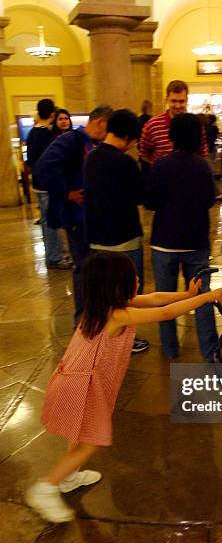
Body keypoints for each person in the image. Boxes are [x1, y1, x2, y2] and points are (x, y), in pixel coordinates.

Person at [25, 251, 222, 523]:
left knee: (79, 433)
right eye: (131, 276)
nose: (137, 278)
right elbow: (164, 312)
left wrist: (186, 294)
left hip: (79, 380)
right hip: (82, 384)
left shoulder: (105, 306)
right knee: (92, 441)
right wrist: (206, 297)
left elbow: (158, 299)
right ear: (115, 286)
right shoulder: (117, 315)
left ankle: (68, 476)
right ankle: (46, 487)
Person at [145, 113, 218, 361]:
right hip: (195, 242)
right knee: (202, 298)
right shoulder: (203, 165)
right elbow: (210, 200)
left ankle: (170, 349)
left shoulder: (161, 165)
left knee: (165, 300)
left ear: (172, 135)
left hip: (164, 242)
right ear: (198, 137)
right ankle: (209, 352)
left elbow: (151, 202)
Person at [34, 105, 113, 325]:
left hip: (88, 218)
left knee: (92, 269)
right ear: (100, 122)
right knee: (84, 269)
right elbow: (42, 168)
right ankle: (84, 321)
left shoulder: (89, 143)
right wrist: (67, 192)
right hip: (77, 218)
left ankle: (91, 319)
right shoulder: (71, 140)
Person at [84, 109, 149, 353]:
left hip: (97, 238)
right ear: (129, 137)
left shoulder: (91, 157)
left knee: (104, 293)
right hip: (123, 238)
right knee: (127, 293)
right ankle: (125, 342)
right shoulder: (124, 162)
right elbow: (140, 196)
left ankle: (104, 338)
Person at [26, 98, 70, 270]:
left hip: (38, 183)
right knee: (51, 222)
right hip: (48, 185)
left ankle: (54, 253)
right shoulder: (47, 135)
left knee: (47, 220)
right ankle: (54, 256)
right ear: (52, 114)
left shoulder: (32, 133)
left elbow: (31, 160)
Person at [139, 80, 208, 165]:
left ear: (187, 100)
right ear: (167, 99)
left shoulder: (196, 124)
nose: (178, 106)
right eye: (174, 101)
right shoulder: (152, 125)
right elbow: (144, 154)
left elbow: (203, 153)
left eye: (181, 101)